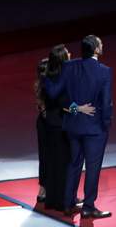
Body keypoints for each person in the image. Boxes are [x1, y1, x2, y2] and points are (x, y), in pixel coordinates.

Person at [43, 35, 113, 219]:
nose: (102, 44)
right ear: (96, 49)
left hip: (73, 127)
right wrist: (105, 124)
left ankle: (68, 204)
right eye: (101, 43)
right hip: (94, 129)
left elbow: (53, 92)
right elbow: (106, 103)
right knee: (92, 168)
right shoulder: (104, 71)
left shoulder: (69, 66)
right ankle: (88, 207)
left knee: (74, 164)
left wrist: (43, 75)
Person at [34, 46, 95, 211]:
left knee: (51, 160)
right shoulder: (60, 78)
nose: (70, 54)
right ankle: (65, 200)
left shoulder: (49, 74)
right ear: (62, 58)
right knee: (64, 162)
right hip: (58, 124)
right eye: (68, 53)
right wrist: (81, 109)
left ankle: (51, 195)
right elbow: (65, 104)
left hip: (47, 122)